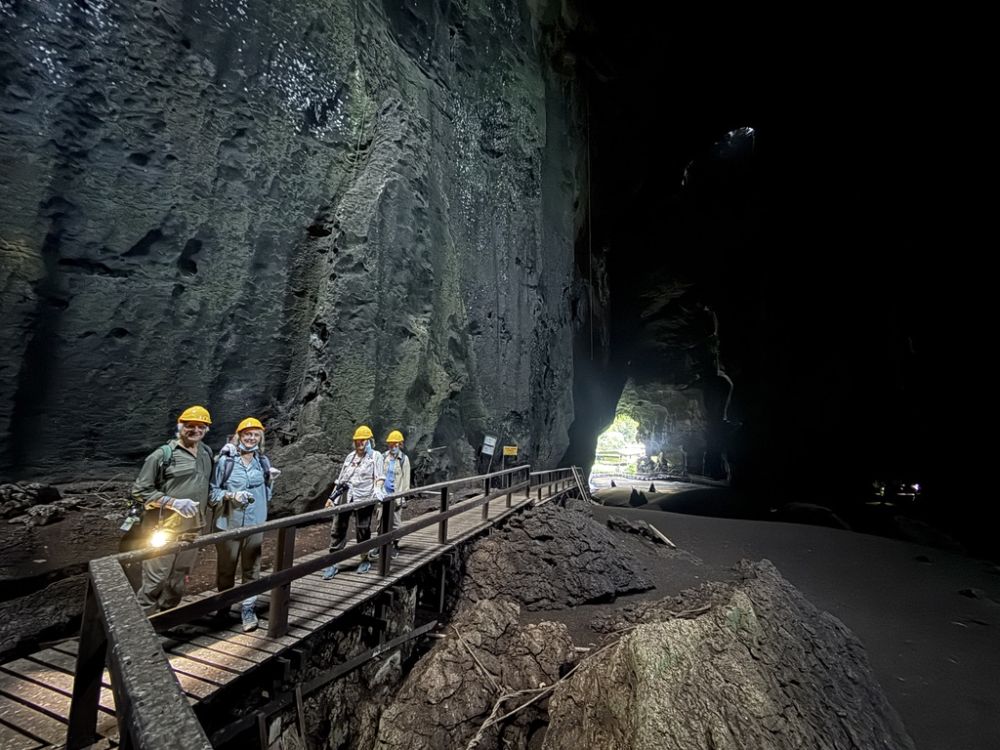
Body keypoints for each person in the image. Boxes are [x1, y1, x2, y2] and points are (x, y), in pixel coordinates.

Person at [131, 405, 214, 614]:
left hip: (193, 530)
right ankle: (144, 633)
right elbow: (140, 491)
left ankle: (165, 623)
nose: (195, 430)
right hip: (163, 529)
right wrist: (172, 503)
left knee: (178, 581)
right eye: (190, 426)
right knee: (154, 582)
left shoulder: (206, 452)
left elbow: (207, 486)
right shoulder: (162, 455)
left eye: (201, 426)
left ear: (206, 429)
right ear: (180, 426)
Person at [208, 417, 277, 632]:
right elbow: (212, 493)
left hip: (255, 524)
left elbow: (267, 495)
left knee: (252, 568)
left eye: (255, 435)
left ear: (260, 438)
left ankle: (248, 608)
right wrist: (231, 496)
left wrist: (272, 480)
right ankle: (224, 607)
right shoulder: (226, 461)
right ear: (239, 435)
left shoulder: (262, 462)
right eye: (247, 434)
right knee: (226, 568)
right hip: (229, 523)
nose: (251, 438)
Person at [323, 425, 384, 579]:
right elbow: (341, 479)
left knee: (362, 529)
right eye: (357, 440)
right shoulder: (350, 457)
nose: (359, 443)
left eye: (363, 440)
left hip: (364, 497)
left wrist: (378, 490)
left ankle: (364, 558)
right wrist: (332, 498)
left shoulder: (375, 456)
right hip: (346, 497)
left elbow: (379, 477)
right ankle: (333, 561)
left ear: (369, 440)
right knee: (338, 528)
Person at [368, 429, 411, 561]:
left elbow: (405, 480)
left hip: (396, 496)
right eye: (391, 444)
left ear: (400, 444)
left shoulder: (403, 459)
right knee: (381, 521)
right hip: (383, 495)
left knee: (395, 521)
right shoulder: (382, 457)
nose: (393, 446)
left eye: (396, 444)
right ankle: (381, 544)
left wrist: (403, 497)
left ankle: (393, 544)